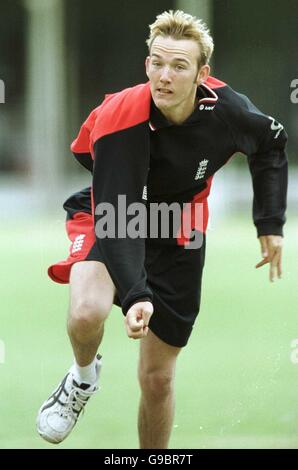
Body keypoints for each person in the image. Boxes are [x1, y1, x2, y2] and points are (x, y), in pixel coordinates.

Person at [36, 10, 287, 448]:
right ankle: (81, 379)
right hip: (112, 212)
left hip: (179, 227)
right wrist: (136, 293)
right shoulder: (120, 118)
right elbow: (117, 217)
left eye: (179, 66)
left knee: (157, 380)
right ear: (146, 63)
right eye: (156, 62)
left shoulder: (227, 110)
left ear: (202, 74)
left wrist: (270, 221)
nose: (164, 76)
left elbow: (270, 143)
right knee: (86, 311)